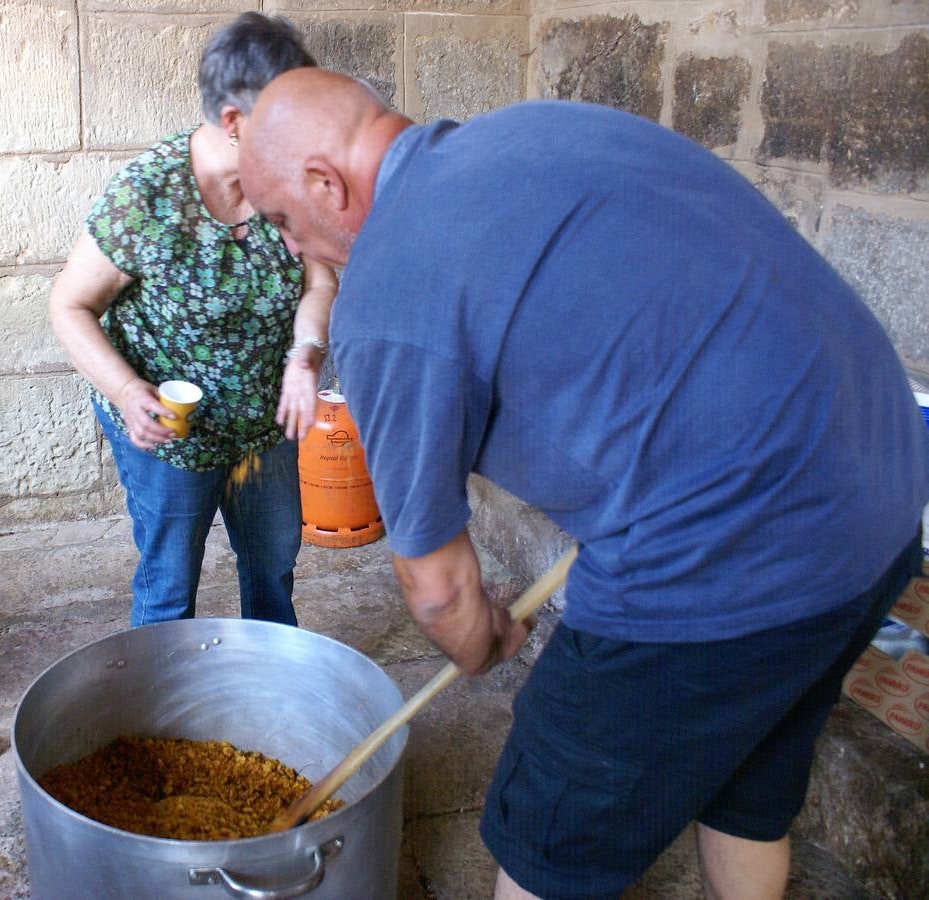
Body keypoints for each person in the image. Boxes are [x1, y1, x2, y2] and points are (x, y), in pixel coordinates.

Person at [238, 69, 929, 900]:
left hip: (723, 548)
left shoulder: (389, 287)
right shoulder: (538, 127)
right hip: (883, 494)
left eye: (281, 219)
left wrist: (482, 636)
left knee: (549, 840)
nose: (288, 244)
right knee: (747, 780)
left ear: (325, 182)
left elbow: (436, 591)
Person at [49, 13, 336, 628]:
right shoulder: (146, 196)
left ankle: (267, 691)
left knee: (272, 567)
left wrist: (305, 355)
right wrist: (126, 393)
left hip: (265, 422)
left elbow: (320, 279)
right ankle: (157, 713)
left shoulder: (290, 183)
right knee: (170, 585)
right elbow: (69, 306)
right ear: (235, 122)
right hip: (170, 433)